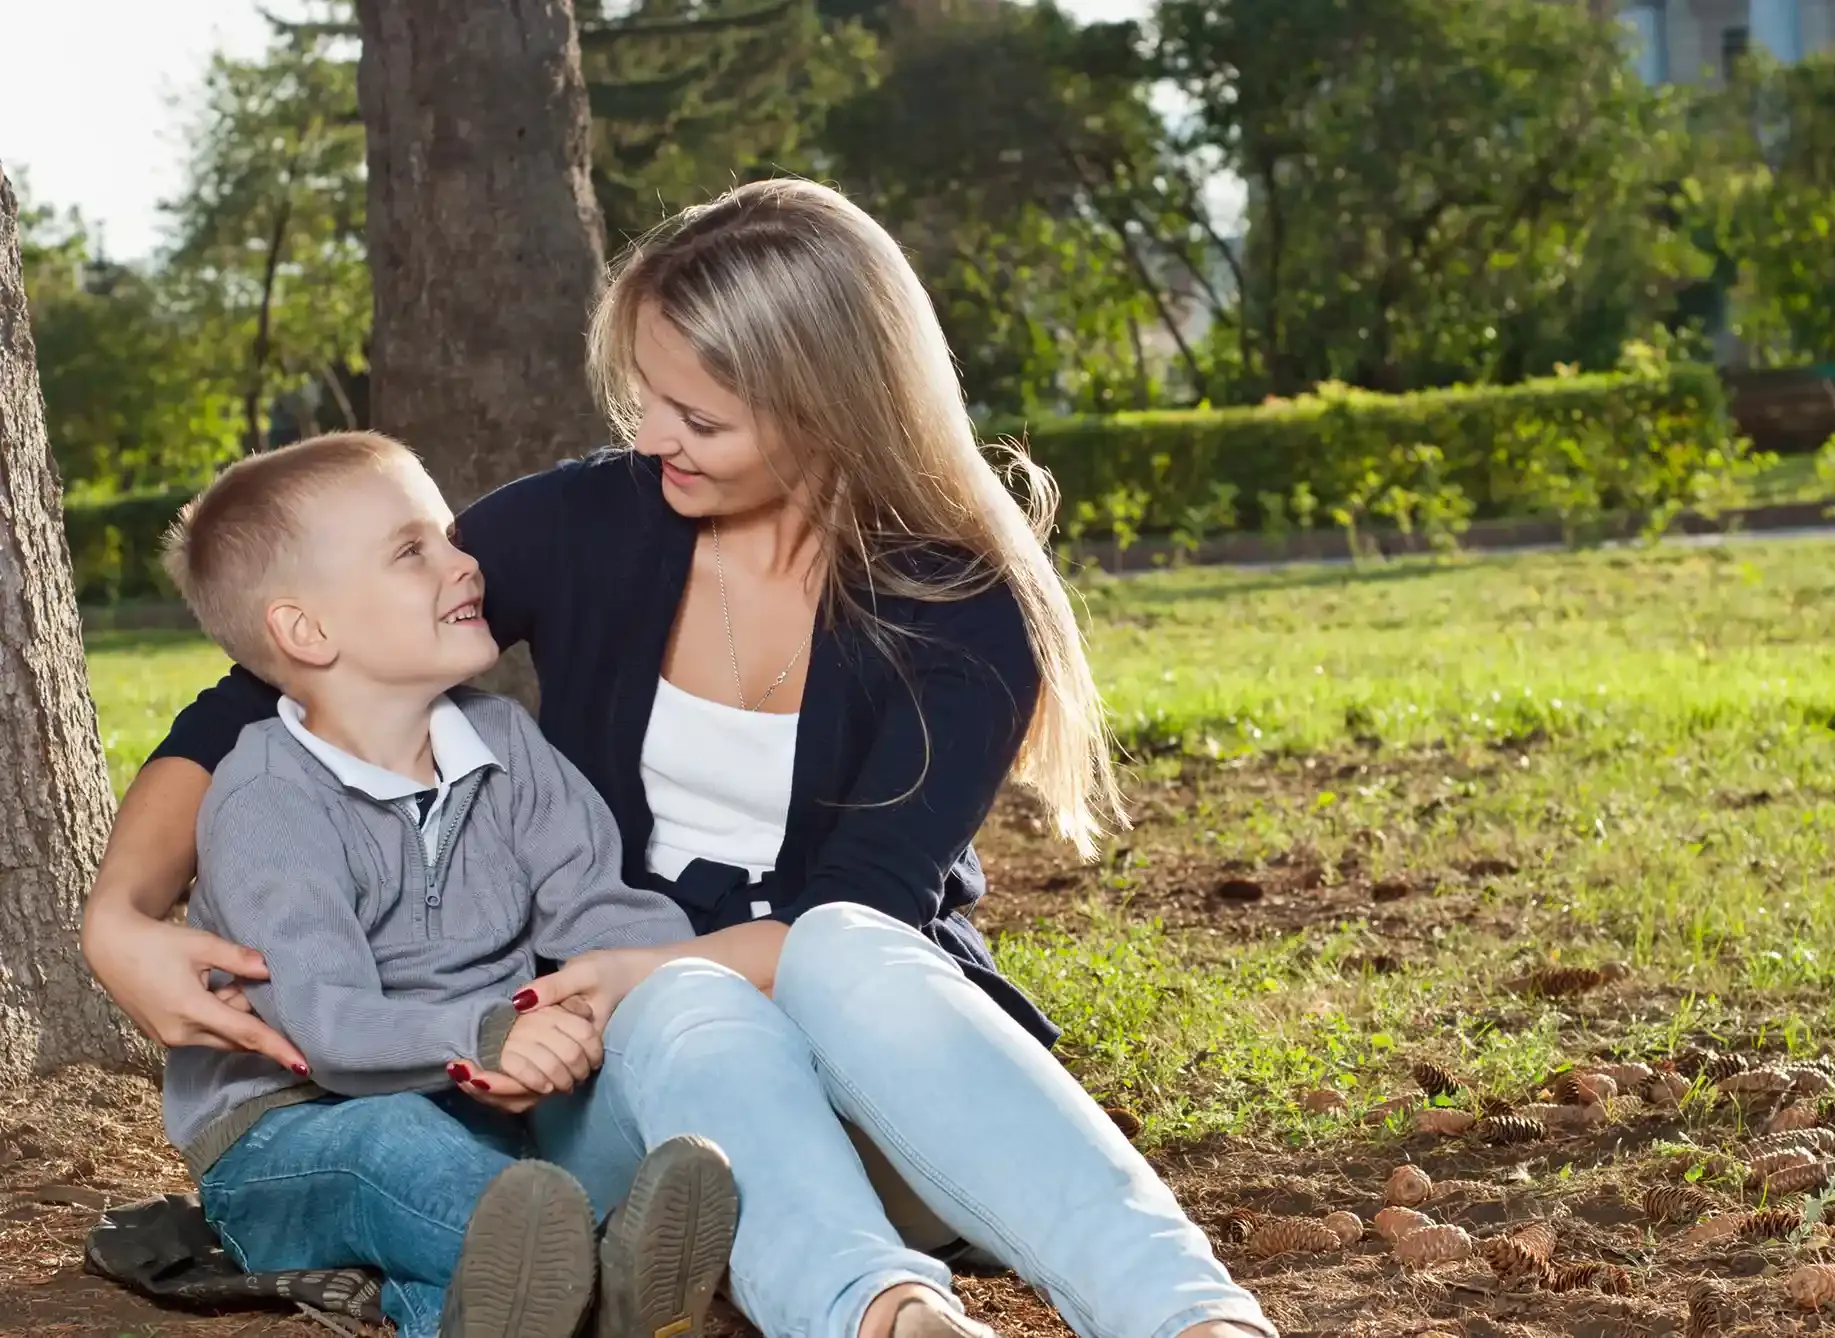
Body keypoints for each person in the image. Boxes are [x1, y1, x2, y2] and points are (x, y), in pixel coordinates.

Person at [84, 178, 1275, 1338]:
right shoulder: (588, 524)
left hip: (890, 1094)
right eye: (648, 396)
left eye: (698, 417)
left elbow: (867, 902)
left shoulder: (959, 610)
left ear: (829, 406)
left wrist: (644, 972)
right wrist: (121, 920)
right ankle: (887, 1317)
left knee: (846, 946)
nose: (651, 435)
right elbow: (270, 686)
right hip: (626, 1084)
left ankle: (1192, 1317)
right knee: (689, 1008)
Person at [152, 430, 760, 1338]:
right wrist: (493, 1028)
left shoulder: (503, 742)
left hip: (478, 1121)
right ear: (305, 631)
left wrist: (647, 985)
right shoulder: (268, 798)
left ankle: (548, 1304)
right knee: (407, 1154)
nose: (463, 562)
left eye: (447, 536)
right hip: (290, 1135)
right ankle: (615, 1280)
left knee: (499, 1245)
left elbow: (598, 903)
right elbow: (327, 1024)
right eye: (413, 551)